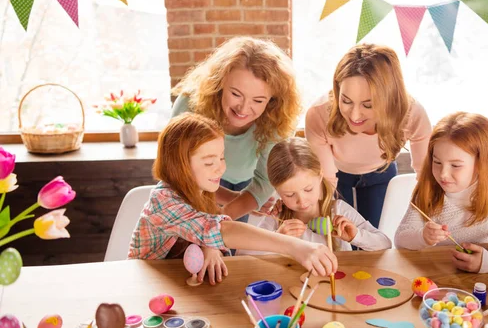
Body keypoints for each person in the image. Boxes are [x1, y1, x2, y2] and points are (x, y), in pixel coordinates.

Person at [128, 114, 337, 283]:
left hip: (178, 281)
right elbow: (219, 228)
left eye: (221, 157)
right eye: (210, 163)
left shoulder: (199, 187)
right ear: (179, 166)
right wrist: (295, 246)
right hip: (146, 283)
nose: (221, 168)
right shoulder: (164, 202)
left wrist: (208, 245)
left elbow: (206, 219)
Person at [171, 36, 302, 223]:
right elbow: (176, 168)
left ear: (273, 99)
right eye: (236, 94)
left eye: (258, 101)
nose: (243, 109)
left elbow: (264, 182)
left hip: (248, 182)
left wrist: (234, 207)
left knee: (229, 246)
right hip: (193, 181)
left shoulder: (278, 119)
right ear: (220, 81)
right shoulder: (189, 105)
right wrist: (229, 199)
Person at [394, 112, 488, 273]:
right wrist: (422, 237)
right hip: (428, 280)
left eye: (456, 165)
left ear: (481, 164)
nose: (443, 174)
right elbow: (400, 239)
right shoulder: (427, 193)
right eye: (437, 162)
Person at [305, 43, 432, 228]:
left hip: (381, 173)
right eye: (346, 101)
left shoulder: (412, 113)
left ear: (388, 99)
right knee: (341, 237)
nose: (355, 116)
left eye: (368, 105)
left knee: (376, 233)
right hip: (336, 175)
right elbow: (327, 178)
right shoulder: (318, 113)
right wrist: (318, 211)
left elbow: (425, 174)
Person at [238, 138, 391, 255]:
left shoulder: (337, 210)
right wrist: (277, 239)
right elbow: (244, 254)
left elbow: (385, 243)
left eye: (308, 189)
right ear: (277, 191)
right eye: (290, 194)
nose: (301, 200)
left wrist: (355, 236)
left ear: (319, 177)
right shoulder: (277, 218)